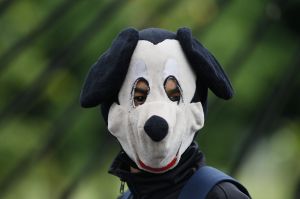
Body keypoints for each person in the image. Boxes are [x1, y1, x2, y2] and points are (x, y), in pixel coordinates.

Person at [80, 27, 251, 199]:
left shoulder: (221, 196)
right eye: (139, 98)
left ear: (195, 110)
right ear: (114, 115)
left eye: (175, 96)